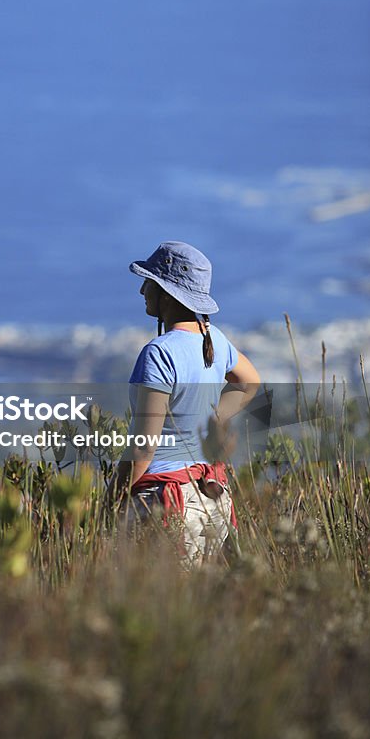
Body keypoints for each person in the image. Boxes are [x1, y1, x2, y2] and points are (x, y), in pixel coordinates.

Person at [108, 241, 260, 565]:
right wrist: (214, 418)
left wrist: (109, 503)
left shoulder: (158, 354)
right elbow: (249, 382)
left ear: (166, 293)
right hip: (210, 496)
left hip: (165, 505)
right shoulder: (213, 338)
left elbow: (143, 448)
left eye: (148, 282)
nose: (141, 291)